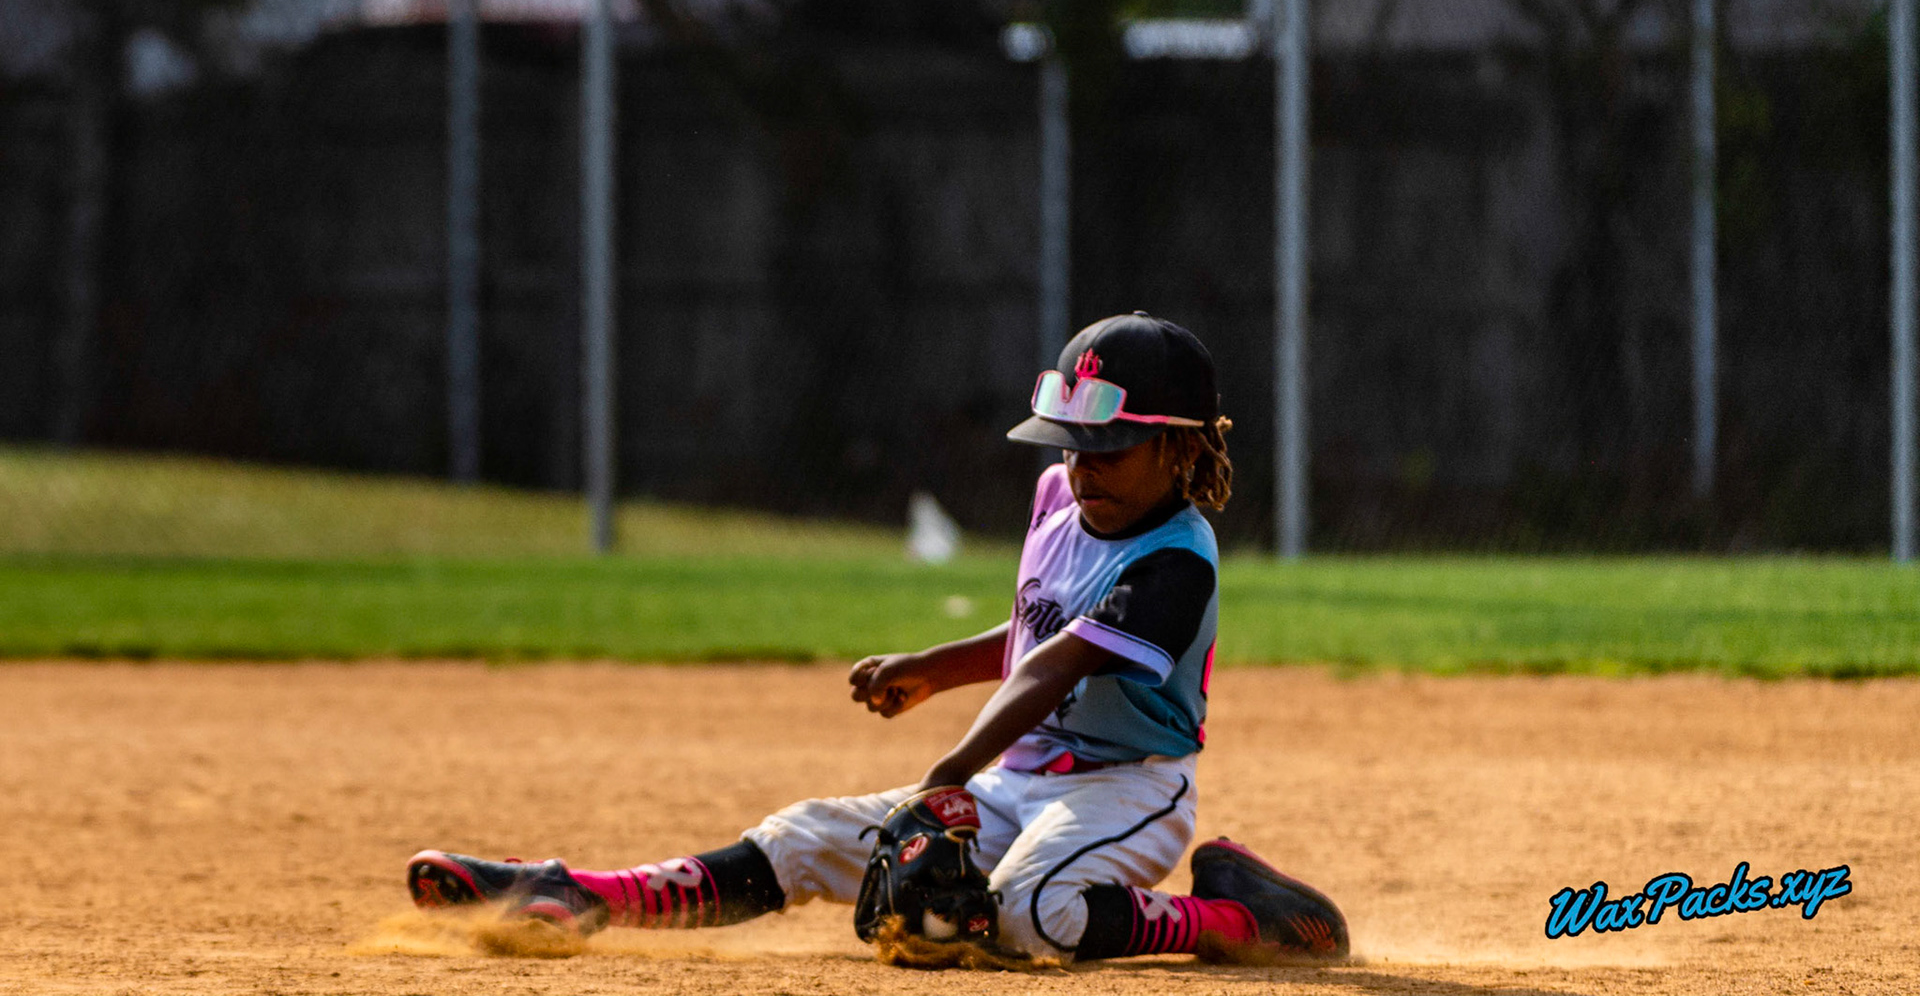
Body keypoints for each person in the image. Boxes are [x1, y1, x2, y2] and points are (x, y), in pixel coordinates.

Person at [406, 312, 1349, 962]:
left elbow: (1062, 664)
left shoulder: (1178, 562)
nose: (1081, 464)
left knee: (1032, 917)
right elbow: (1036, 629)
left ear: (1180, 446)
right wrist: (933, 670)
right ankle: (583, 894)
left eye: (1108, 447)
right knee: (808, 836)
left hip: (1125, 791)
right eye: (1070, 442)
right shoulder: (1060, 497)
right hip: (1019, 779)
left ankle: (1231, 914)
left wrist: (947, 778)